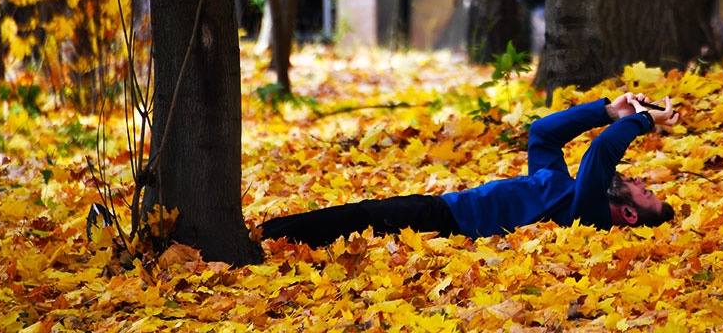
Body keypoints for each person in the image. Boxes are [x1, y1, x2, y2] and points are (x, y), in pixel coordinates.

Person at [260, 93, 680, 247]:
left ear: (627, 214)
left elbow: (600, 154)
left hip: (446, 225)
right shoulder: (562, 187)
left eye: (645, 194)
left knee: (361, 219)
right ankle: (266, 234)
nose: (641, 181)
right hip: (441, 209)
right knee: (360, 216)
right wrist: (607, 110)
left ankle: (263, 238)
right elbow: (542, 136)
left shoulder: (584, 216)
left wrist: (647, 120)